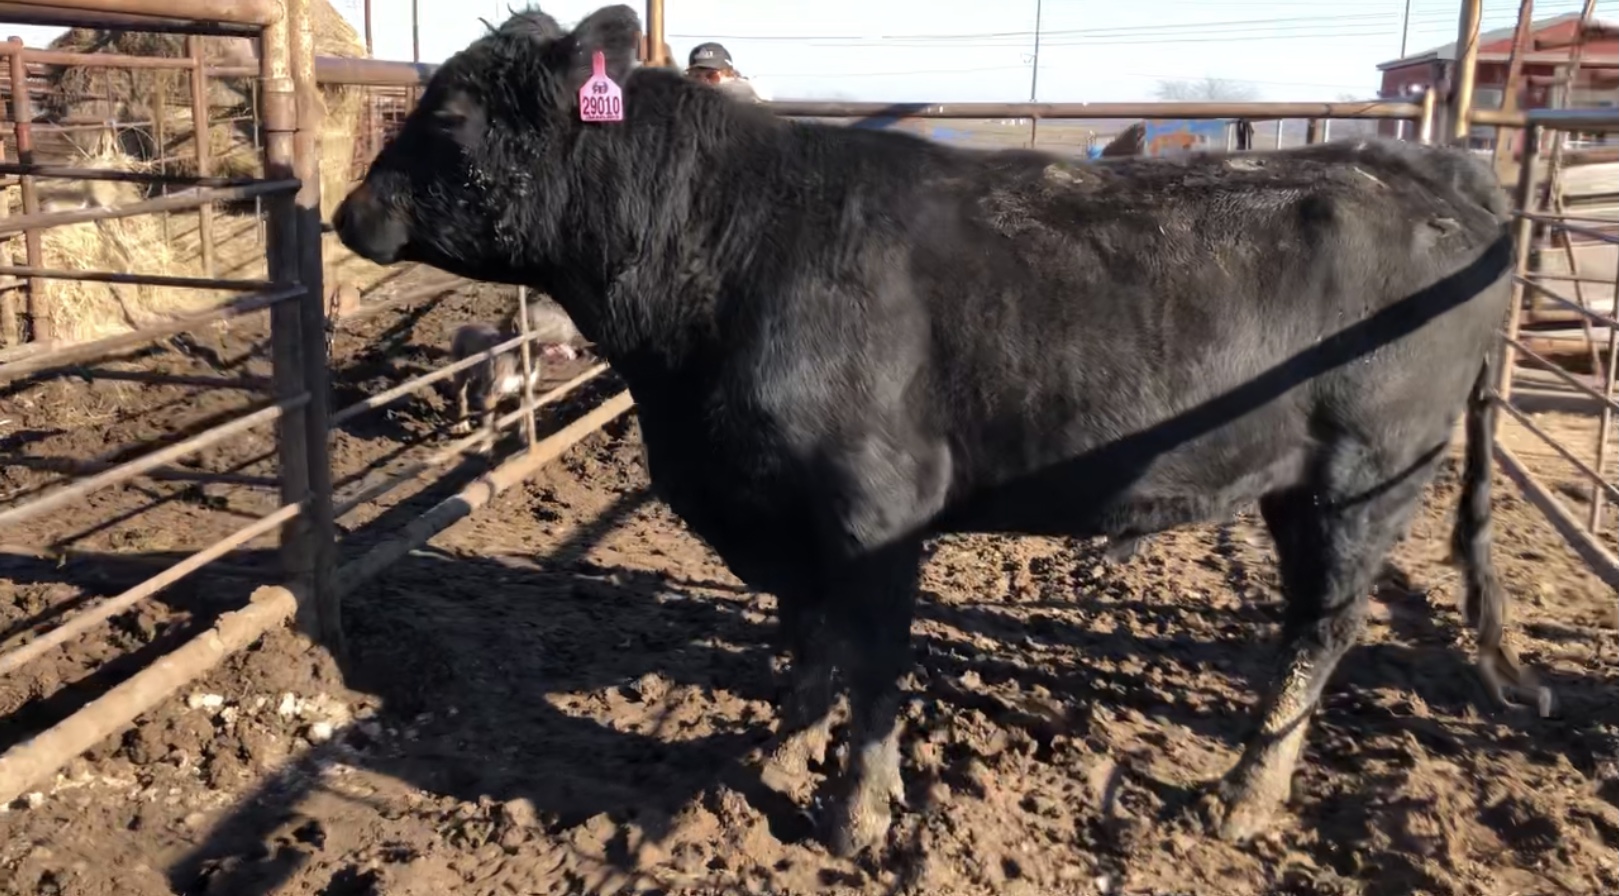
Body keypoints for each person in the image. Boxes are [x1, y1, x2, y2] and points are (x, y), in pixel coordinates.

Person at [684, 41, 769, 103]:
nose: (702, 82)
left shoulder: (747, 102)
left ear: (730, 76)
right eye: (695, 77)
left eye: (712, 76)